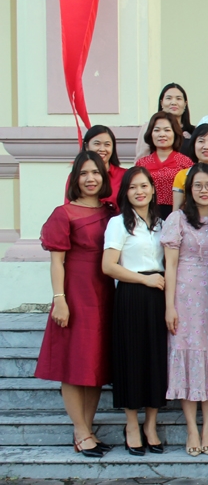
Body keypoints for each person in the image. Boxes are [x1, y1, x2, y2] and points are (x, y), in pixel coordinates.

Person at [36, 151, 116, 457]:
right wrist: (60, 300)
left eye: (95, 172)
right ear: (75, 179)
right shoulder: (64, 213)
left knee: (96, 364)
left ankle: (89, 427)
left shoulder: (111, 212)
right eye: (83, 173)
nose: (90, 179)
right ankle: (80, 432)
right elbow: (57, 262)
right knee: (73, 365)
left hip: (106, 293)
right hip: (75, 295)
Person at [161, 164, 208, 457]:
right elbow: (171, 265)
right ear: (189, 190)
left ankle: (207, 427)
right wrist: (169, 306)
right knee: (186, 352)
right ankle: (191, 427)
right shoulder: (177, 219)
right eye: (198, 185)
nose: (204, 190)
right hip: (184, 296)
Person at [101, 166, 167, 456]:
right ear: (125, 193)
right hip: (132, 293)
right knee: (131, 357)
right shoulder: (119, 223)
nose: (140, 191)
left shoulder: (161, 223)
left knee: (155, 358)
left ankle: (151, 424)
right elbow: (108, 266)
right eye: (133, 187)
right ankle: (131, 424)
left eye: (144, 185)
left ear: (153, 189)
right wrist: (144, 279)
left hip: (159, 295)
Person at [135, 111, 193, 219]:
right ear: (150, 133)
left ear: (175, 133)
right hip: (146, 216)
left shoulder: (186, 163)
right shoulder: (141, 164)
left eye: (167, 130)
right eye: (157, 130)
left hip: (177, 217)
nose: (162, 134)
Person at [64, 125, 126, 210]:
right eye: (97, 144)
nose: (102, 149)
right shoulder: (77, 176)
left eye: (107, 144)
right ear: (86, 146)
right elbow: (69, 208)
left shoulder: (125, 175)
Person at [135, 83, 195, 160]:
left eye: (178, 98)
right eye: (169, 98)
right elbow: (141, 158)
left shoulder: (193, 131)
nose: (173, 102)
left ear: (185, 104)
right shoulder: (149, 127)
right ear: (161, 103)